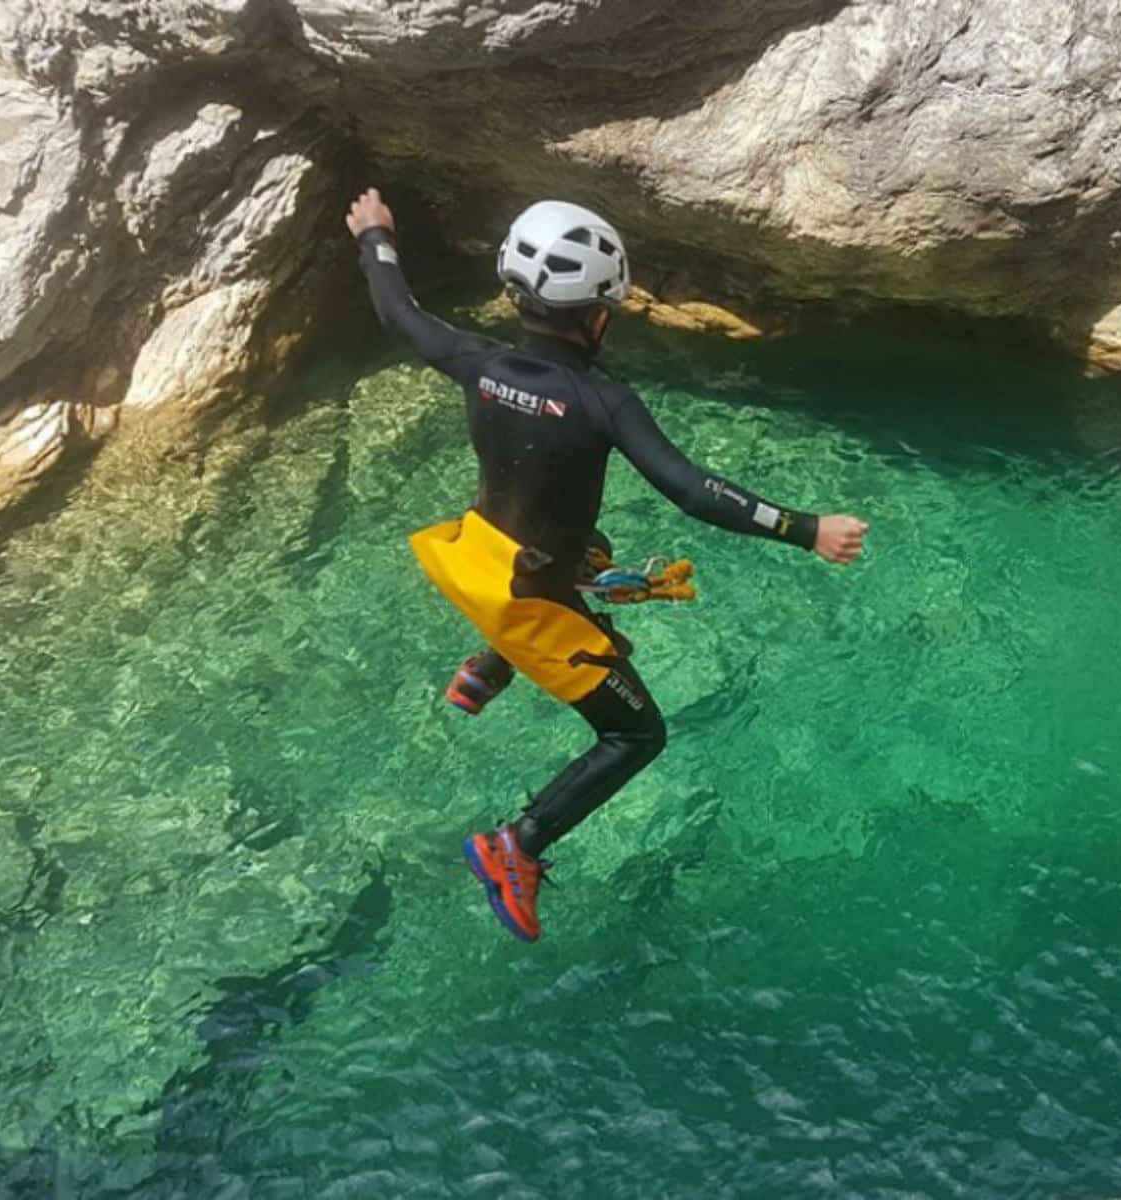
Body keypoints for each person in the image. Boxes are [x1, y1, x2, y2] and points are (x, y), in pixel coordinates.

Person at [343, 188, 869, 943]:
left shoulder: (478, 360)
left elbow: (399, 313)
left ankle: (484, 672)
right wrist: (806, 528)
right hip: (528, 604)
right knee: (637, 734)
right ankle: (515, 846)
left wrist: (378, 238)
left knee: (597, 568)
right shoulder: (603, 400)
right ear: (598, 314)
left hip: (476, 561)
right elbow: (694, 491)